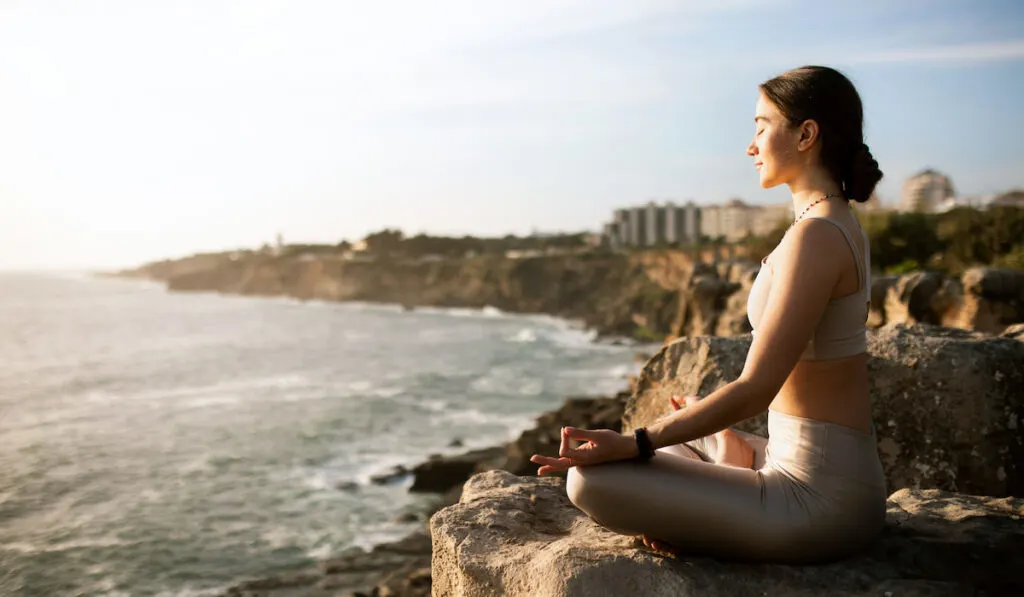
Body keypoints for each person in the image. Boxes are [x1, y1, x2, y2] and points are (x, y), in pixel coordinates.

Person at [530, 65, 888, 564]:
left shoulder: (818, 235)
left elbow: (755, 387)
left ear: (806, 134)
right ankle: (729, 451)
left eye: (762, 126)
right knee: (673, 445)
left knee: (590, 478)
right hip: (814, 466)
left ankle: (720, 468)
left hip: (819, 502)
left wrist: (635, 441)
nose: (751, 145)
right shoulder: (827, 223)